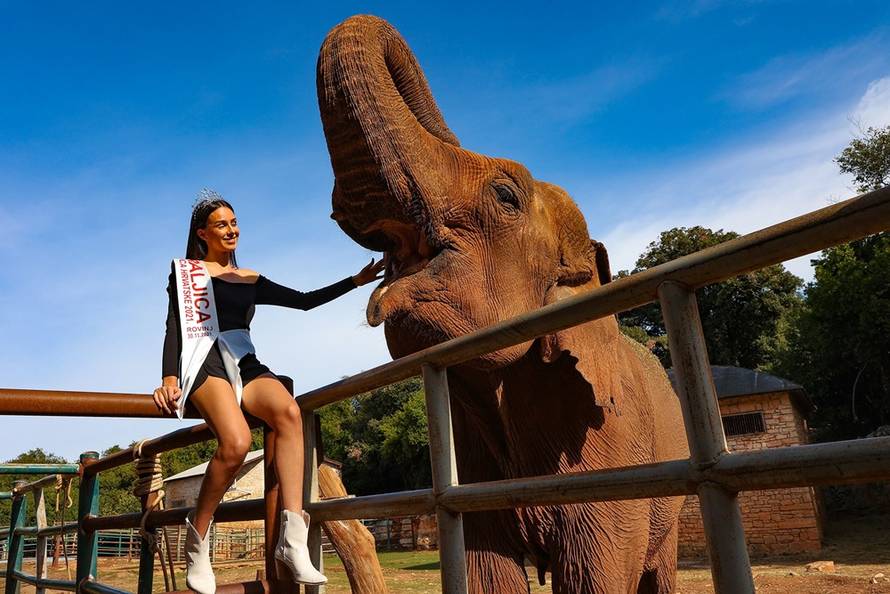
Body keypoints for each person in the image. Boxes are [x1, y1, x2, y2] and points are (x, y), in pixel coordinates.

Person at [153, 190, 384, 592]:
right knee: (237, 442)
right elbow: (174, 326)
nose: (232, 229)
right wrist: (169, 378)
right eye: (222, 224)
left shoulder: (250, 278)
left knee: (289, 412)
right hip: (203, 360)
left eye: (234, 221)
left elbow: (304, 302)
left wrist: (355, 281)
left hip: (244, 359)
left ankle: (292, 541)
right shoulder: (187, 274)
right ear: (202, 233)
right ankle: (198, 536)